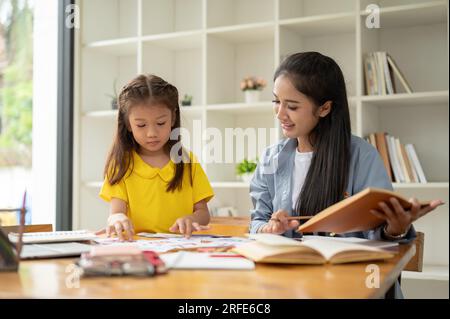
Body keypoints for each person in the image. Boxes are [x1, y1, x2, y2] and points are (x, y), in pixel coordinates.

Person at [249, 52, 443, 297]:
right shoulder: (270, 159)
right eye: (276, 101)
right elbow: (257, 221)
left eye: (292, 106)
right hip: (289, 285)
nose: (279, 113)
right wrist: (267, 229)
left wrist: (396, 229)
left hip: (352, 286)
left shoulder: (362, 156)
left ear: (325, 108)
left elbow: (384, 235)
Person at [98, 74, 214, 240]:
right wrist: (117, 218)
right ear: (128, 124)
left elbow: (203, 213)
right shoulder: (122, 164)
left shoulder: (188, 162)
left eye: (160, 123)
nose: (152, 133)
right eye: (141, 125)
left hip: (182, 249)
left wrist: (192, 218)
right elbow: (116, 213)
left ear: (173, 118)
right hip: (139, 251)